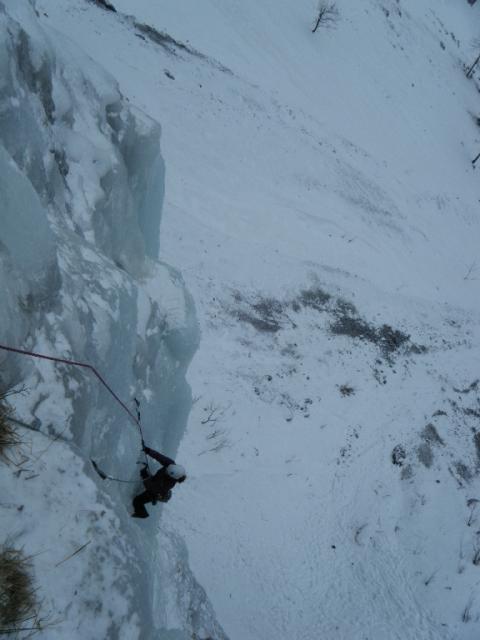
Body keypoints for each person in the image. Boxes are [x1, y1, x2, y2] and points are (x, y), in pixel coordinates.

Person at [131, 445, 186, 518]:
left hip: (155, 493)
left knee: (137, 501)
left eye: (167, 472)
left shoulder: (167, 484)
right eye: (167, 469)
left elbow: (150, 487)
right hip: (155, 483)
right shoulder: (170, 464)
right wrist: (148, 450)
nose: (166, 470)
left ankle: (142, 514)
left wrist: (144, 475)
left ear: (171, 477)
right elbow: (159, 457)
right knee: (150, 479)